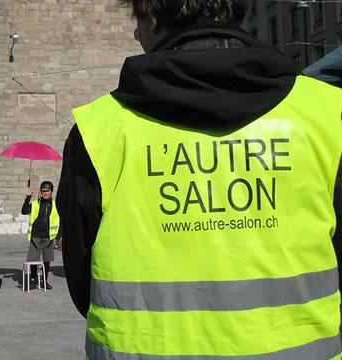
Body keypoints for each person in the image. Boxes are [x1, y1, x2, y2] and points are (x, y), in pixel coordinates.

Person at [57, 0, 342, 358]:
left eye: (137, 24)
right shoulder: (329, 114)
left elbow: (82, 279)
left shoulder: (98, 131)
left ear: (153, 19)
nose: (134, 34)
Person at [21, 181, 60, 290]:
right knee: (33, 260)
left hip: (49, 237)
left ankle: (44, 281)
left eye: (47, 191)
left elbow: (61, 221)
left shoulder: (56, 205)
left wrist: (58, 237)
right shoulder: (35, 204)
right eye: (43, 191)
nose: (45, 193)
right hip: (36, 236)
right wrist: (28, 198)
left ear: (51, 192)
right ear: (40, 192)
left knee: (46, 261)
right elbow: (24, 211)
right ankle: (33, 280)